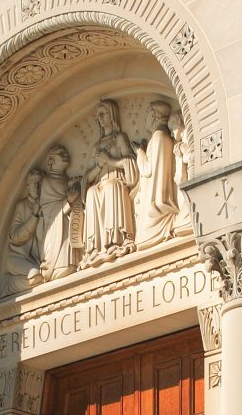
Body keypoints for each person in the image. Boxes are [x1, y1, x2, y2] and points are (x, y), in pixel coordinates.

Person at [82, 99, 138, 261]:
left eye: (103, 113)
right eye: (98, 114)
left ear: (112, 115)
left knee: (112, 187)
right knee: (91, 192)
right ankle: (96, 246)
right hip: (100, 183)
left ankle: (117, 239)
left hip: (116, 180)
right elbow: (88, 177)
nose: (100, 117)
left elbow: (129, 160)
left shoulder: (119, 137)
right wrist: (99, 165)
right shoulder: (96, 146)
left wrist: (109, 160)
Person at [133, 97, 180, 247]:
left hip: (155, 205)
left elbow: (148, 170)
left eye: (147, 114)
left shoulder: (158, 136)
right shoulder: (162, 136)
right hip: (154, 198)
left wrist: (139, 152)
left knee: (144, 238)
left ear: (154, 116)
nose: (145, 118)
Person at [0, 169, 44, 298]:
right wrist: (33, 216)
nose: (36, 186)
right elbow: (15, 237)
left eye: (39, 183)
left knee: (42, 276)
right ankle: (9, 285)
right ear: (27, 186)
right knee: (36, 275)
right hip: (17, 258)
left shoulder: (47, 204)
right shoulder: (22, 206)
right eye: (33, 183)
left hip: (38, 260)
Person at [36, 142, 78, 280]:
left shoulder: (65, 179)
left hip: (67, 221)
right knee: (61, 260)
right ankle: (56, 267)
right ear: (52, 160)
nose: (65, 156)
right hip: (55, 227)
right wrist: (68, 201)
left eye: (65, 153)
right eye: (61, 154)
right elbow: (48, 209)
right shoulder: (47, 181)